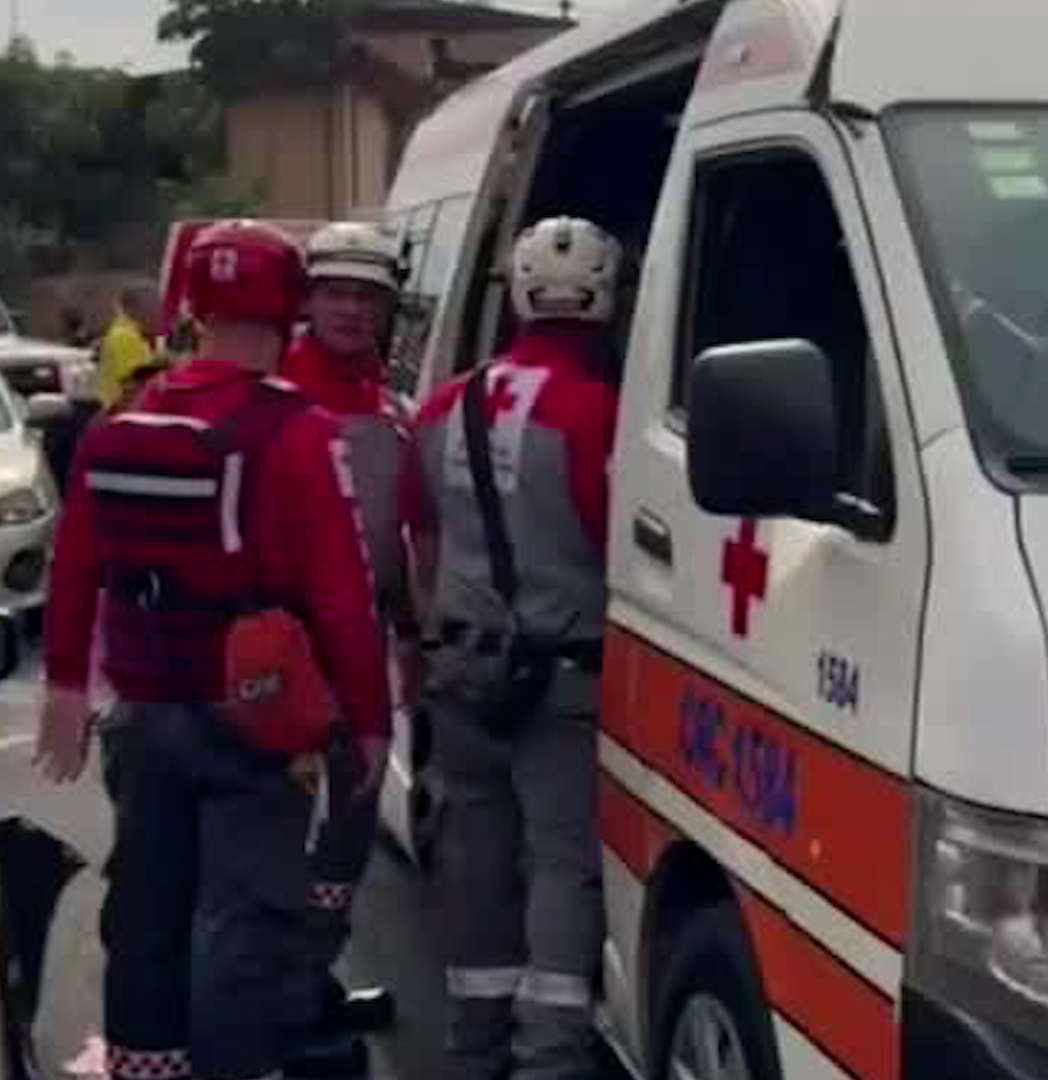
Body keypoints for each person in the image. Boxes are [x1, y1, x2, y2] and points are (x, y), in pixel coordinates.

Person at [35, 220, 391, 1080]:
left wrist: (64, 688)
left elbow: (75, 561)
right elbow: (345, 598)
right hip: (256, 719)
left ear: (190, 304)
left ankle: (145, 1067)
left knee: (148, 911)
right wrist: (370, 726)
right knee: (250, 920)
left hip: (143, 713)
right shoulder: (298, 433)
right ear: (289, 307)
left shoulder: (125, 416)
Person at [400, 216, 620, 1080]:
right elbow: (619, 550)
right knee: (563, 861)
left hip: (459, 666)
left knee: (476, 858)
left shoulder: (445, 405)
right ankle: (552, 1059)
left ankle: (474, 1043)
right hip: (561, 678)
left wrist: (424, 642)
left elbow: (421, 540)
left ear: (518, 293)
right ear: (604, 299)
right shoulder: (595, 412)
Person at [279, 221, 420, 1066]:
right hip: (279, 662)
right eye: (335, 292)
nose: (351, 310)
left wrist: (412, 635)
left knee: (346, 837)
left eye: (367, 296)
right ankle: (285, 1010)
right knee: (284, 842)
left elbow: (399, 538)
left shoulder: (392, 412)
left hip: (359, 650)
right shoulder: (276, 398)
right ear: (306, 301)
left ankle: (311, 986)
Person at [96, 281, 165, 410]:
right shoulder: (126, 337)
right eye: (152, 307)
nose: (158, 313)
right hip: (124, 414)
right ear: (132, 310)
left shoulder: (129, 333)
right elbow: (140, 385)